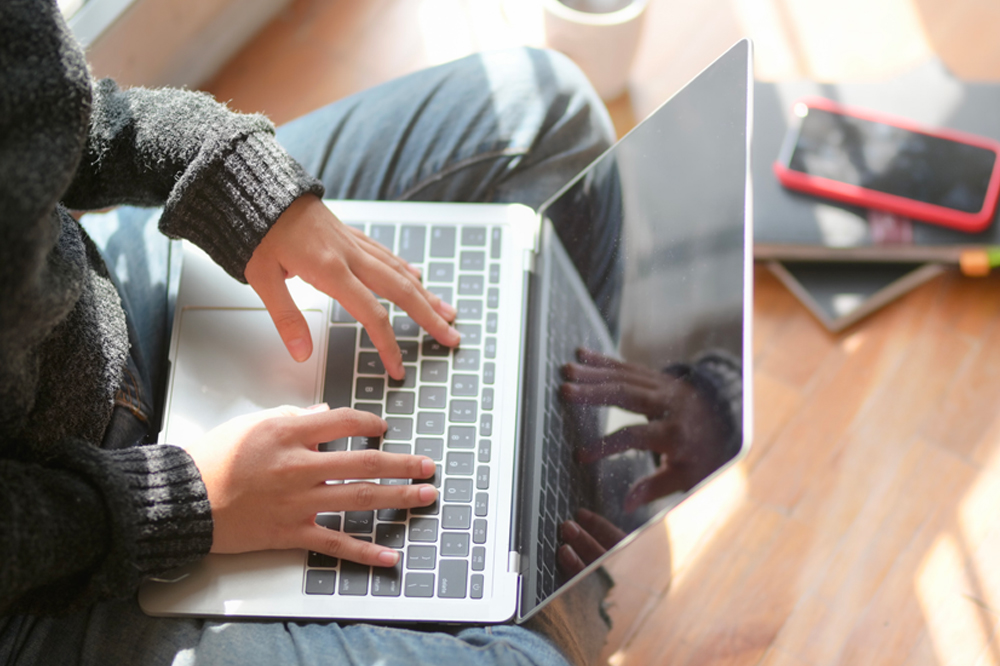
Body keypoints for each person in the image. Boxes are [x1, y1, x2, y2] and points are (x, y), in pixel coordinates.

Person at [0, 0, 617, 663]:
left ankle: (560, 525)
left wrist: (233, 180)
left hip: (103, 307)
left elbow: (51, 115)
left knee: (548, 110)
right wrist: (180, 503)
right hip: (48, 570)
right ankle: (557, 577)